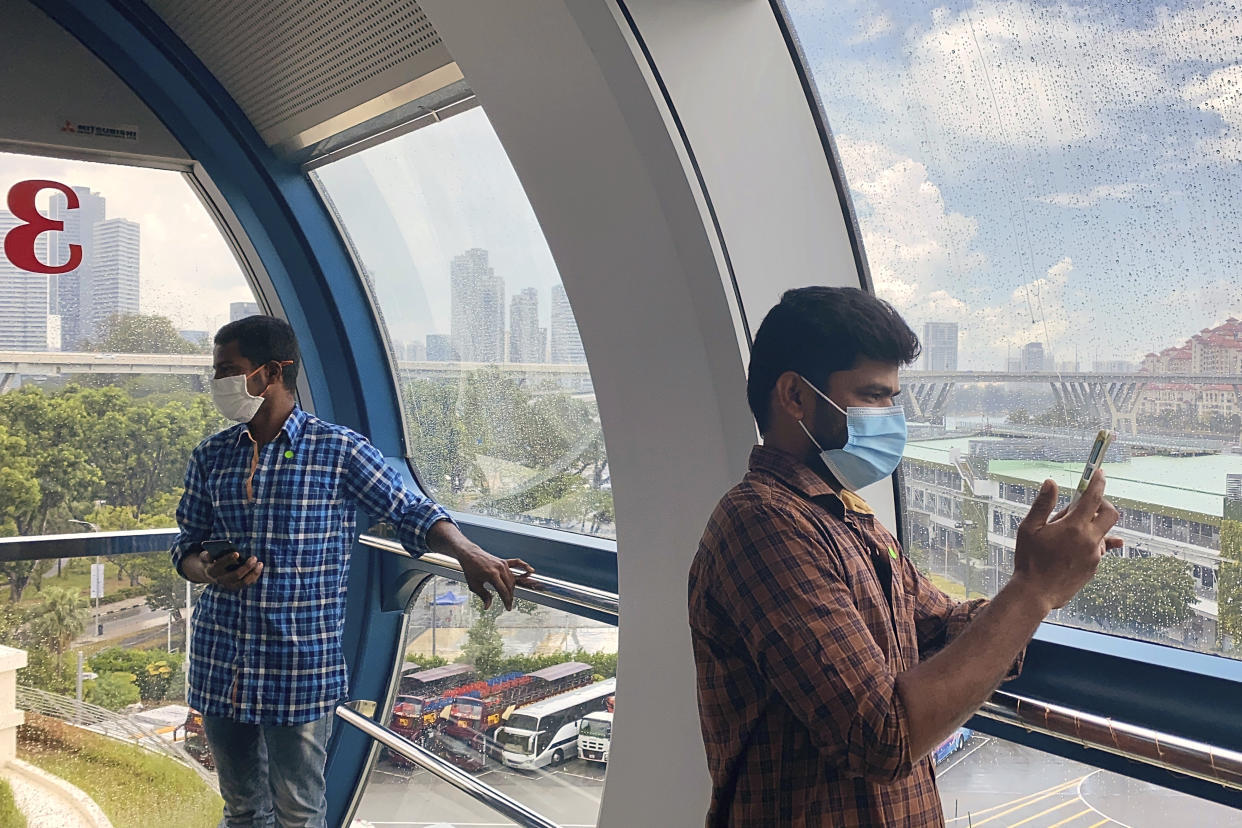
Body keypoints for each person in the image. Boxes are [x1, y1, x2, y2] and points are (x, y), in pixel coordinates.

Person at [688, 287, 1119, 827]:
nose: (892, 416)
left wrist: (1055, 572)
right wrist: (1033, 590)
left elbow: (938, 628)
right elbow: (882, 738)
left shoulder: (849, 517)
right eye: (872, 395)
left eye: (894, 396)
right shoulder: (763, 526)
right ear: (795, 396)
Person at [172, 315, 532, 828]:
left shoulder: (338, 450)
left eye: (228, 370)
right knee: (242, 810)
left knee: (299, 811)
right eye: (217, 372)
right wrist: (208, 569)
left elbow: (410, 509)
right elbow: (186, 548)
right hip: (220, 662)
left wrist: (468, 552)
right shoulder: (212, 456)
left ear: (272, 372)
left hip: (297, 668)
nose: (218, 384)